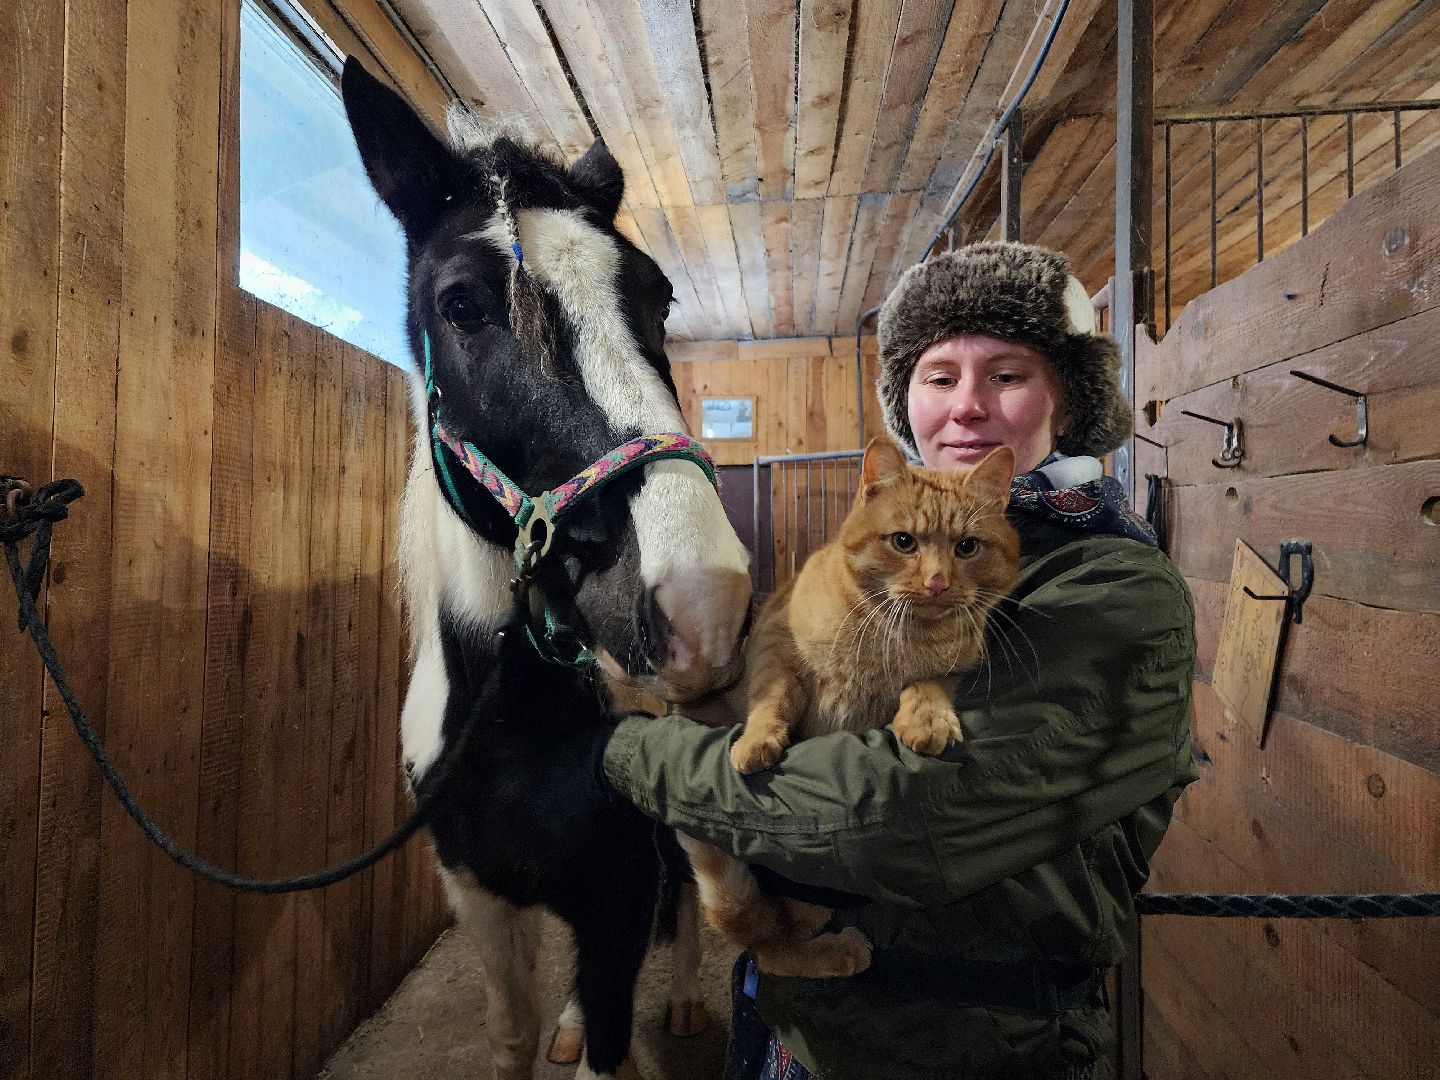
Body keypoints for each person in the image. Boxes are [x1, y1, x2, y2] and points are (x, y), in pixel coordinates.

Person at [601, 241, 1198, 1080]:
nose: (967, 407)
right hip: (800, 1024)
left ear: (1068, 399)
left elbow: (898, 817)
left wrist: (629, 750)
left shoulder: (1114, 587)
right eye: (938, 376)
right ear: (907, 399)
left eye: (1008, 374)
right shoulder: (898, 543)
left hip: (967, 1043)